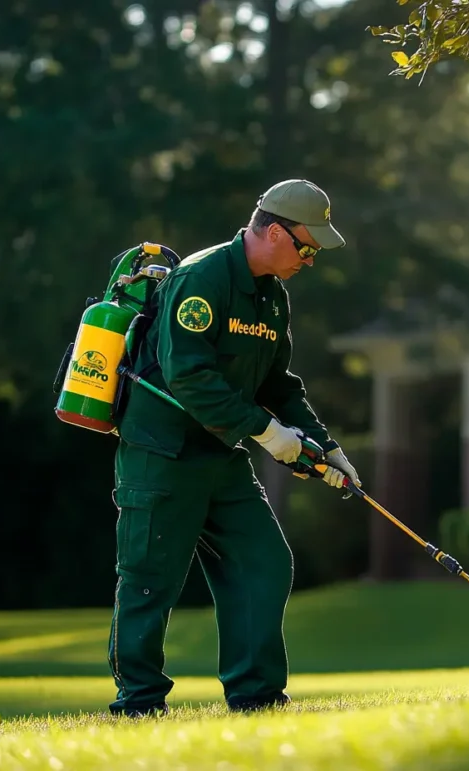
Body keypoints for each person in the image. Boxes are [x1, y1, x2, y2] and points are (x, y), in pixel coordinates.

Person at [107, 179, 360, 717]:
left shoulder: (272, 297)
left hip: (220, 457)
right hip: (162, 453)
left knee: (264, 562)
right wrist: (268, 435)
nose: (311, 259)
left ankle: (256, 696)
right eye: (307, 246)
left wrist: (324, 447)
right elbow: (190, 377)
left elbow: (278, 385)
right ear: (273, 232)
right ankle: (139, 703)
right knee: (150, 580)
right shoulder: (201, 279)